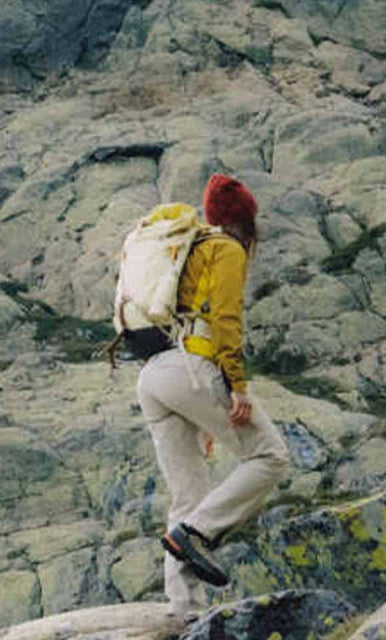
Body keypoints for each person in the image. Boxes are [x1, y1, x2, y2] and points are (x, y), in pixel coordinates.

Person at [142, 174, 292, 620]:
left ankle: (184, 610)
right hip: (192, 368)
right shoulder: (226, 248)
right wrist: (237, 387)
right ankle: (197, 534)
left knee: (187, 494)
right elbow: (226, 318)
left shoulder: (188, 248)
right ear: (246, 220)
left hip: (155, 375)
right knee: (271, 456)